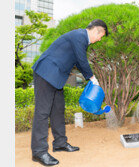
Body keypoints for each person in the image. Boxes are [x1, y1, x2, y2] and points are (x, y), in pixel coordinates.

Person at [31, 19, 108, 166]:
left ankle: (60, 143)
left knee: (58, 110)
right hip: (46, 72)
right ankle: (39, 152)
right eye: (101, 36)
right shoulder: (80, 35)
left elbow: (79, 62)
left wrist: (90, 79)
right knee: (42, 112)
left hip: (56, 77)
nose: (99, 40)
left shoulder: (80, 39)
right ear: (97, 30)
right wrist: (92, 78)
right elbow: (82, 59)